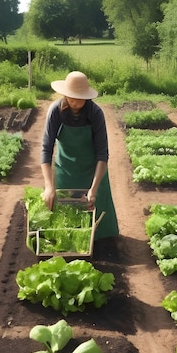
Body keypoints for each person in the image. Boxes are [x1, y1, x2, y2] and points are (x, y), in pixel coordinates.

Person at [41, 71, 119, 240]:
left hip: (93, 170)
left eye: (79, 98)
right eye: (71, 97)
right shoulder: (56, 111)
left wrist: (94, 189)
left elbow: (102, 154)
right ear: (65, 94)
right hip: (65, 169)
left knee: (99, 226)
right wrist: (49, 186)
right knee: (67, 224)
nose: (75, 102)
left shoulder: (95, 113)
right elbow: (46, 150)